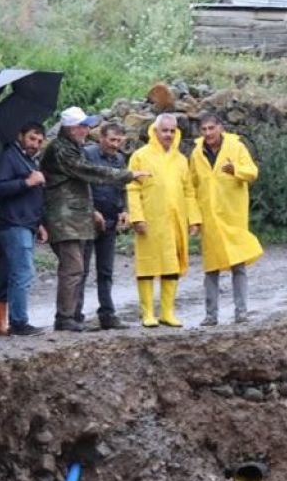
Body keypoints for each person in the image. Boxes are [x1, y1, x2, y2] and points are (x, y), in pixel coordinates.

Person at [40, 106, 148, 332]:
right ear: (71, 128)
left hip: (76, 217)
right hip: (64, 217)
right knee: (74, 268)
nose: (87, 129)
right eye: (83, 126)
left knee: (78, 268)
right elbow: (88, 171)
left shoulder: (71, 147)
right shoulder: (63, 150)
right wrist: (127, 175)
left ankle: (71, 316)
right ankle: (66, 318)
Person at [127, 113, 201, 327]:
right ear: (155, 131)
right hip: (149, 220)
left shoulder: (180, 160)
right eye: (164, 130)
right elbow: (132, 188)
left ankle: (167, 312)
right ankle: (148, 313)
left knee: (172, 265)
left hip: (175, 221)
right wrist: (137, 217)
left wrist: (193, 219)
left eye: (172, 130)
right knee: (147, 265)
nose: (168, 134)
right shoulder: (141, 156)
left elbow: (188, 192)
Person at [189, 112, 263, 325]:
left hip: (232, 215)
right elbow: (192, 187)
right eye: (204, 130)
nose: (208, 133)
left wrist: (235, 170)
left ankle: (241, 312)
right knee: (211, 267)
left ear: (220, 128)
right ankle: (211, 315)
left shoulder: (236, 147)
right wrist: (194, 218)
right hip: (209, 217)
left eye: (211, 128)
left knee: (237, 265)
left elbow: (252, 172)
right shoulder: (197, 153)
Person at [0, 121, 49, 337]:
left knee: (20, 272)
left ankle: (17, 320)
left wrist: (39, 223)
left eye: (39, 141)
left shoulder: (29, 160)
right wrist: (27, 182)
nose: (35, 144)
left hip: (27, 224)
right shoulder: (9, 156)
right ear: (20, 136)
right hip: (13, 224)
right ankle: (18, 322)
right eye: (32, 138)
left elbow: (33, 199)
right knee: (22, 273)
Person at [77, 122, 130, 330]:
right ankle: (75, 315)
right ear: (101, 138)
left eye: (118, 141)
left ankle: (107, 314)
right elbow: (82, 185)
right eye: (111, 140)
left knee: (106, 270)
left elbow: (122, 187)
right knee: (81, 270)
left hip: (110, 221)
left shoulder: (119, 159)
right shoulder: (88, 155)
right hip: (89, 221)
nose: (115, 145)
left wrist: (124, 210)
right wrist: (91, 210)